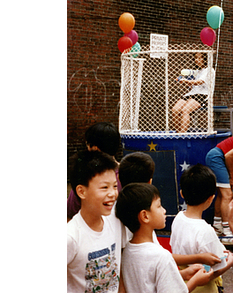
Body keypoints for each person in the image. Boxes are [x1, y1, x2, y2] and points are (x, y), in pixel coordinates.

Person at [118, 151, 222, 267]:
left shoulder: (120, 213)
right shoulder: (144, 230)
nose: (164, 211)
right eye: (158, 206)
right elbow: (160, 257)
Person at [116, 183, 214, 293]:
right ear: (145, 216)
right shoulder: (162, 257)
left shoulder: (126, 252)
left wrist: (182, 274)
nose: (164, 210)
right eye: (158, 206)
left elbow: (148, 283)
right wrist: (196, 281)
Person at [67, 150, 127, 293]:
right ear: (81, 192)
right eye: (104, 187)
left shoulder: (116, 220)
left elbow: (120, 270)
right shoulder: (71, 236)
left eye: (114, 186)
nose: (112, 193)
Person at [170, 164, 233, 293]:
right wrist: (231, 260)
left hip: (183, 281)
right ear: (211, 199)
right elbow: (217, 269)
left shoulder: (178, 217)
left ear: (182, 194)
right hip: (204, 287)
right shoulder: (206, 231)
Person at [67, 121, 121, 221]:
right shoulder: (127, 172)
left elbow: (70, 212)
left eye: (87, 145)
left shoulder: (86, 176)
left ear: (95, 148)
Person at [172, 52, 215, 133]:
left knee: (185, 110)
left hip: (202, 94)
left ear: (204, 59)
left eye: (200, 58)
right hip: (192, 93)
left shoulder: (209, 70)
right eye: (195, 58)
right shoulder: (198, 71)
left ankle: (182, 135)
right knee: (175, 110)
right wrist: (182, 80)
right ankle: (178, 134)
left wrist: (187, 81)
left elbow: (199, 82)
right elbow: (191, 79)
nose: (197, 60)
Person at [205, 136, 233, 242]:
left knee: (222, 194)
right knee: (227, 195)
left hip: (216, 156)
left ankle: (217, 226)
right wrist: (232, 175)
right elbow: (229, 156)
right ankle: (227, 232)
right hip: (217, 157)